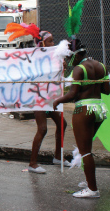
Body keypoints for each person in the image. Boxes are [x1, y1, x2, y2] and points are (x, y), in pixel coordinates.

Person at [53, 39, 109, 198]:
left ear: (75, 56)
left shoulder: (79, 69)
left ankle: (92, 190)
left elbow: (72, 95)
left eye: (70, 58)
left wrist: (57, 100)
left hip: (84, 110)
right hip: (99, 109)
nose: (70, 61)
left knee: (85, 152)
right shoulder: (101, 66)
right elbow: (107, 91)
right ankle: (89, 181)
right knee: (87, 148)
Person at [31, 31, 70, 173]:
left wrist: (62, 66)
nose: (53, 44)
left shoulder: (53, 57)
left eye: (53, 41)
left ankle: (58, 157)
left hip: (50, 98)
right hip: (39, 98)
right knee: (42, 128)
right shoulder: (35, 57)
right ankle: (32, 164)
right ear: (42, 44)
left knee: (62, 123)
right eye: (50, 41)